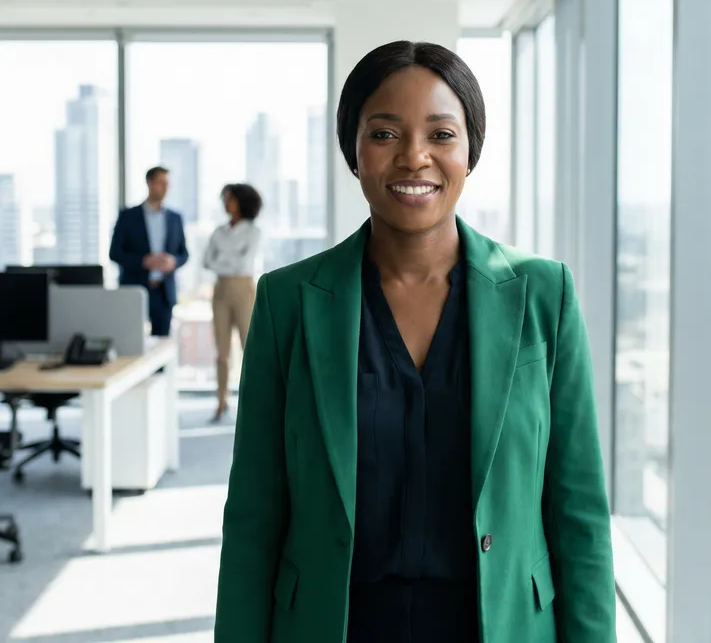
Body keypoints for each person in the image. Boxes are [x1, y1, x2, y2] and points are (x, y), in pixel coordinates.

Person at [215, 42, 615, 643]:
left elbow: (578, 512)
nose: (414, 157)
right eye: (384, 134)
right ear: (354, 150)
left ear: (469, 152)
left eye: (442, 134)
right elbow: (254, 518)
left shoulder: (542, 294)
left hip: (500, 625)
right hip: (336, 625)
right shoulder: (288, 302)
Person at [203, 183, 263, 423]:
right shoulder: (218, 231)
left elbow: (243, 264)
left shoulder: (253, 232)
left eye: (230, 199)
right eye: (225, 198)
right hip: (220, 290)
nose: (226, 203)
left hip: (243, 288)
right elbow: (207, 262)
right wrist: (229, 260)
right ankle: (221, 402)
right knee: (222, 352)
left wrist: (223, 260)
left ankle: (256, 401)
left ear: (242, 202)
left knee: (250, 347)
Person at [110, 166, 188, 337]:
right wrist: (143, 261)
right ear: (149, 183)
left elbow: (184, 254)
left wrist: (173, 261)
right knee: (130, 340)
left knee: (161, 346)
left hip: (164, 292)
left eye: (167, 183)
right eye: (161, 182)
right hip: (135, 289)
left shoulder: (175, 218)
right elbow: (114, 253)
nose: (165, 187)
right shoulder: (128, 216)